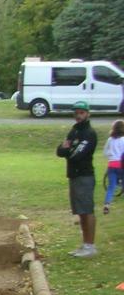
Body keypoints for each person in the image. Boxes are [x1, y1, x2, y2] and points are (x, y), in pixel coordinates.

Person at [56, 100, 97, 257]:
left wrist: (67, 149)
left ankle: (90, 246)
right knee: (80, 211)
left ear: (87, 114)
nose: (78, 115)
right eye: (76, 113)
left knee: (87, 210)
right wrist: (66, 149)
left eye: (81, 113)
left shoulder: (89, 133)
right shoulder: (74, 131)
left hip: (84, 175)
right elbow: (60, 150)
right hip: (73, 174)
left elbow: (76, 154)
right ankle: (85, 244)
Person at [103, 118, 124, 215]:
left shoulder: (110, 139)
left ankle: (107, 204)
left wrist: (111, 156)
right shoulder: (123, 139)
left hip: (111, 165)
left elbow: (105, 152)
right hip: (121, 164)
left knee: (111, 186)